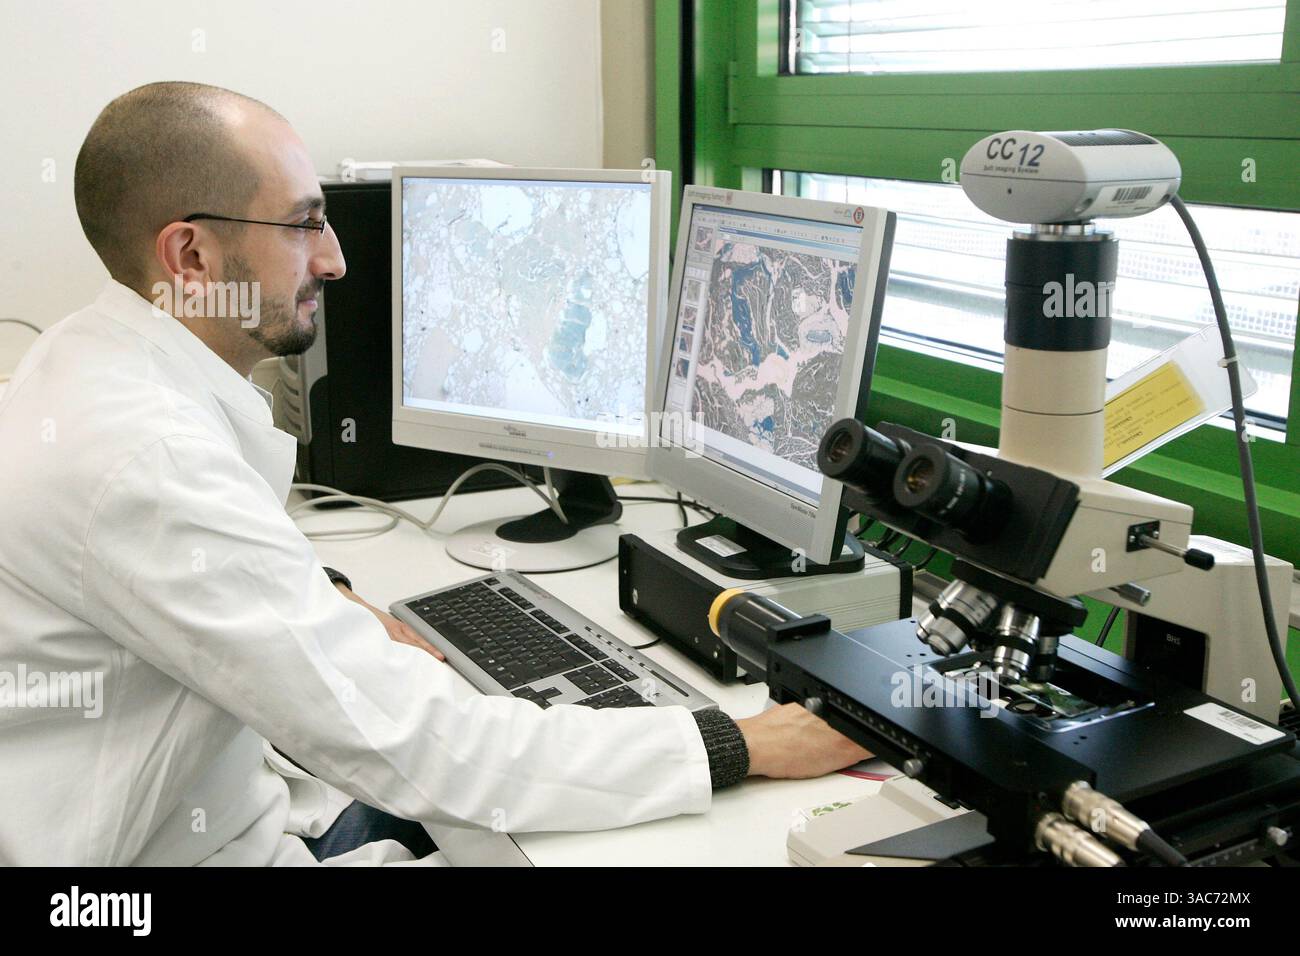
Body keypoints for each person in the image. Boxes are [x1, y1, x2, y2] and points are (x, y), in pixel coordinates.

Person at [0, 82, 869, 866]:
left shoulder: (88, 360)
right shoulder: (145, 460)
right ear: (189, 258)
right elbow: (431, 750)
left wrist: (321, 595)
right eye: (305, 222)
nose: (336, 260)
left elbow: (202, 581)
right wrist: (737, 743)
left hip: (233, 811)